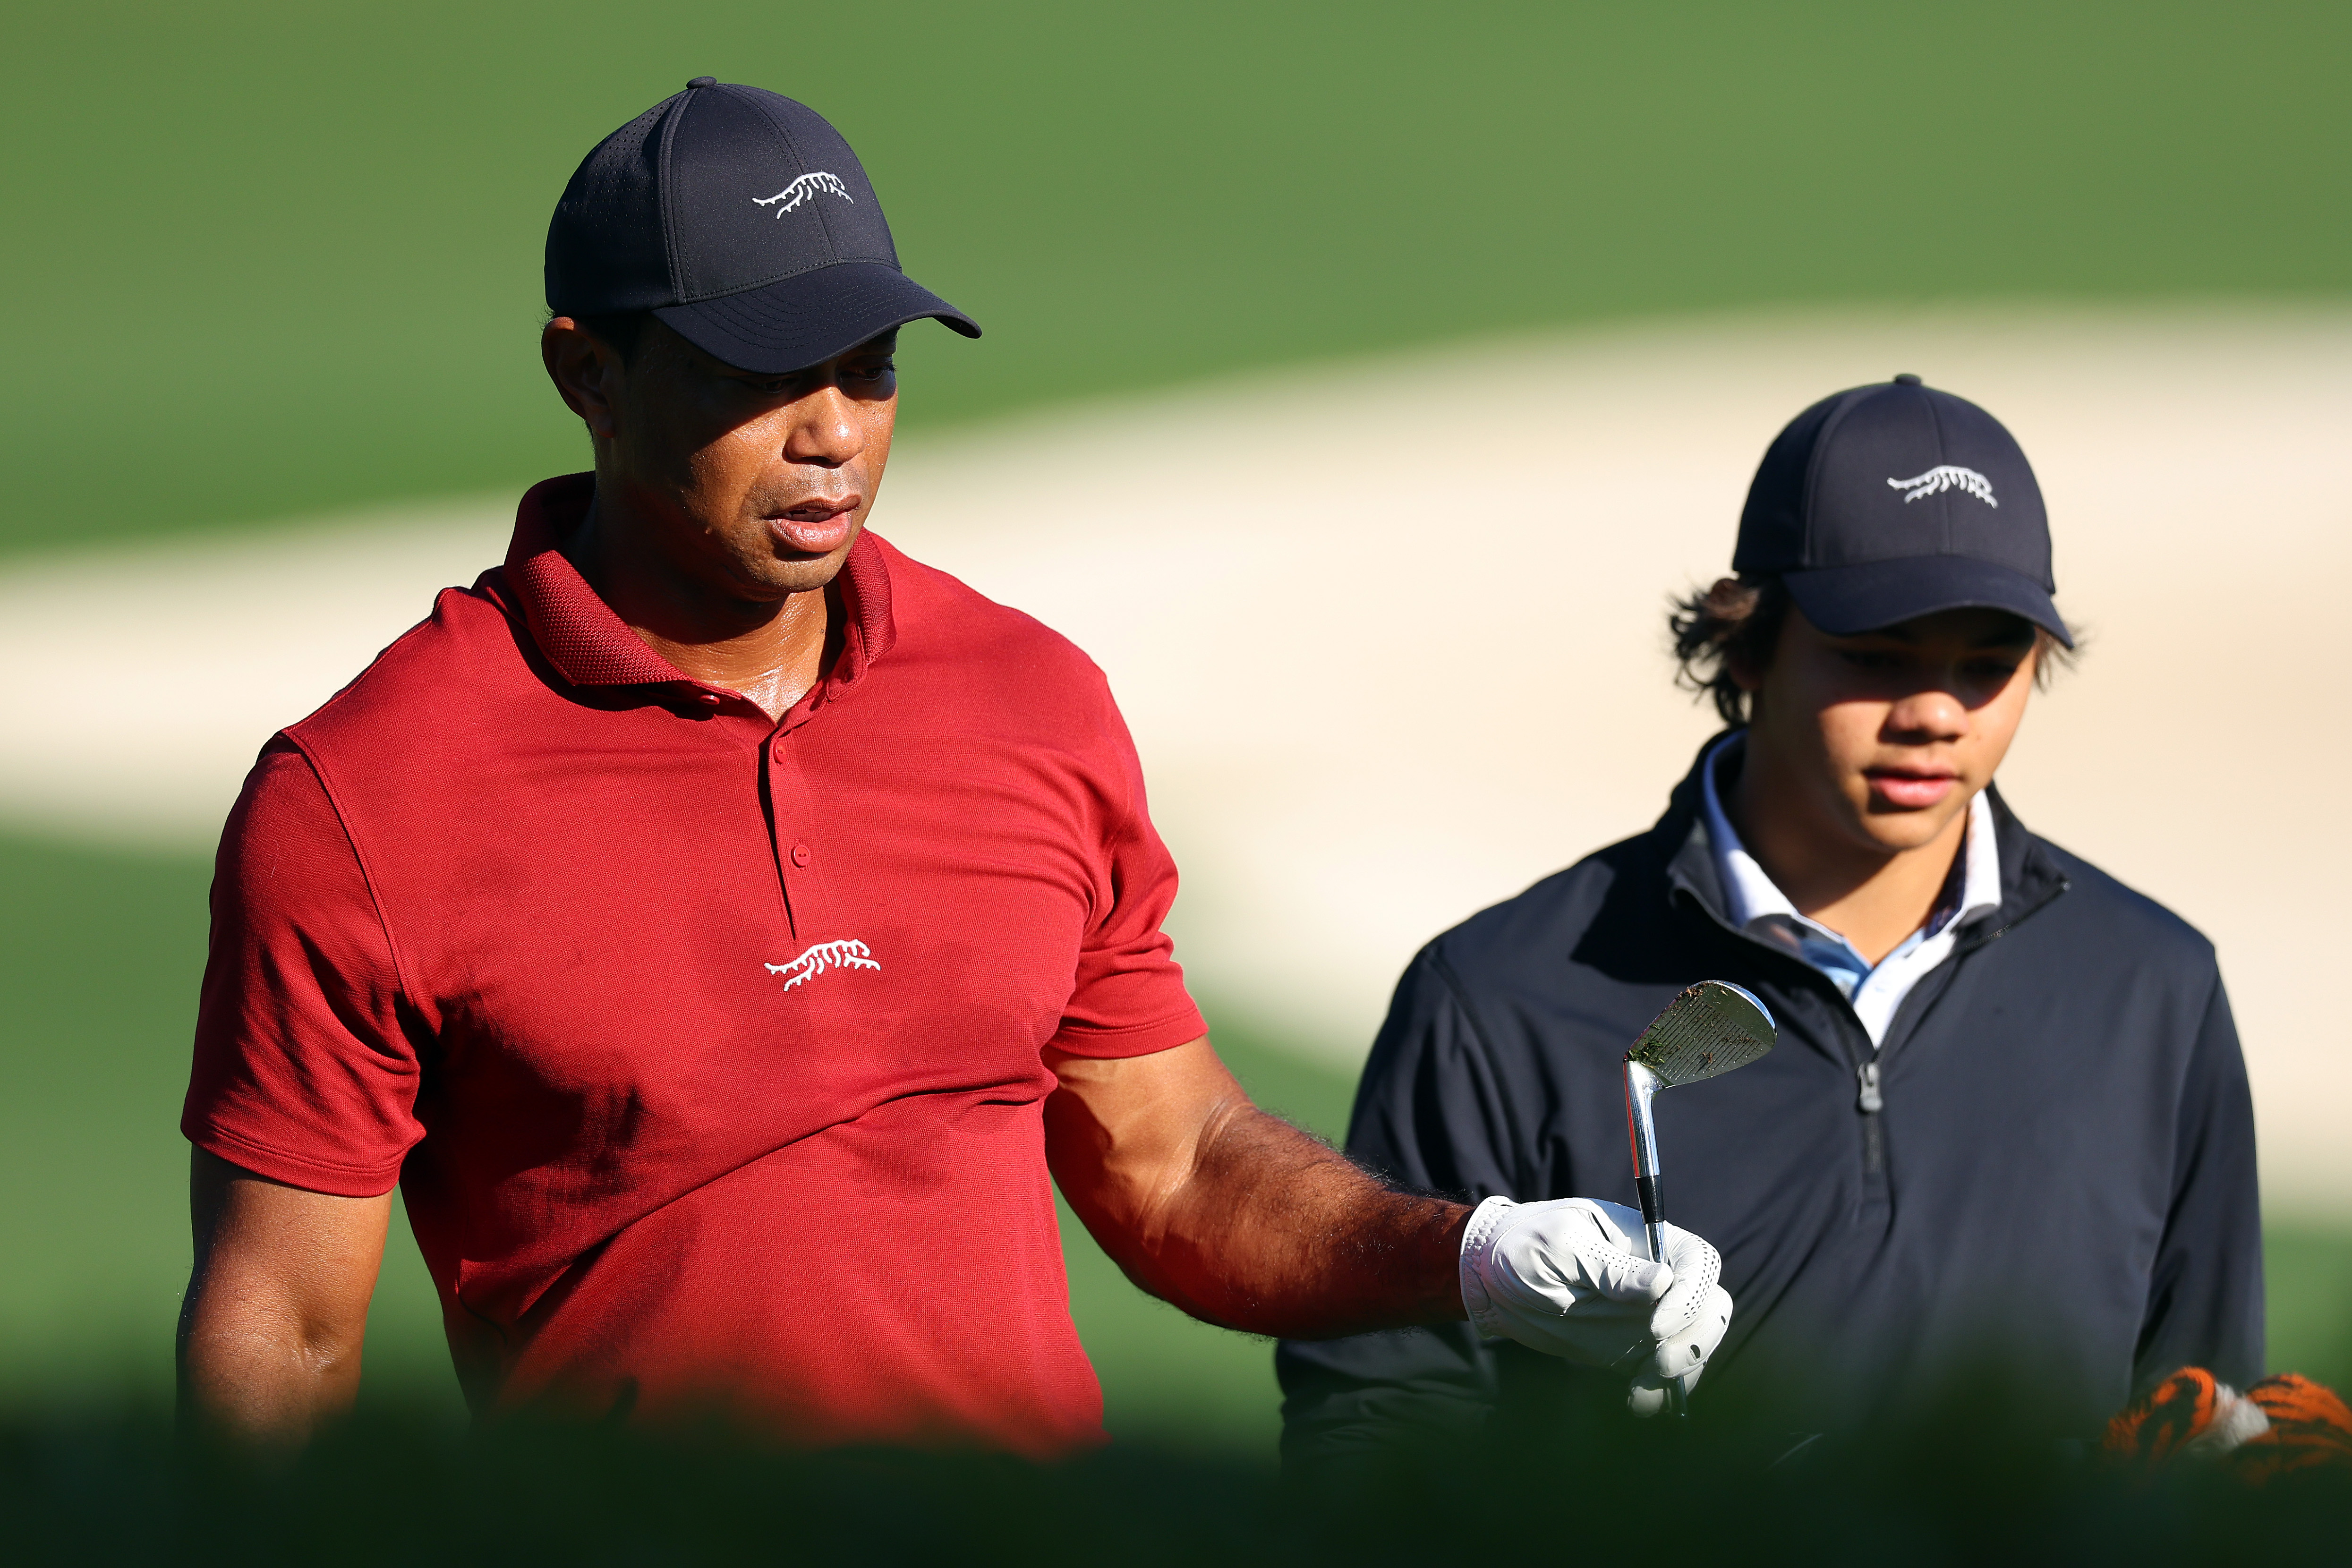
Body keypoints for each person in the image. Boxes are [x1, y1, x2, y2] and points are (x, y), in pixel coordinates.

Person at [175, 80, 1733, 1455]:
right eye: (757, 374)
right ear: (587, 372)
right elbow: (287, 1339)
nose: (834, 432)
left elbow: (1172, 1165)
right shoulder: (370, 793)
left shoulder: (1026, 702)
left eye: (869, 368)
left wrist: (1475, 1256)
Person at [1278, 375, 2263, 1468]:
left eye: (1987, 666)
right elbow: (1374, 1433)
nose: (1936, 712)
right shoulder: (1499, 995)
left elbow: (2204, 1408)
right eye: (1877, 659)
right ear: (1745, 647)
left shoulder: (2152, 987)